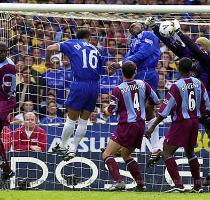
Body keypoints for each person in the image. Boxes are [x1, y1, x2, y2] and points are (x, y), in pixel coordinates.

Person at [145, 57, 210, 193]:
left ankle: (178, 185)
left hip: (181, 122)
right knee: (190, 152)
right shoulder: (199, 83)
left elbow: (165, 110)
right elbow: (206, 103)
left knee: (167, 151)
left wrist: (152, 127)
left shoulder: (177, 86)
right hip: (194, 122)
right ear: (192, 69)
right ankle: (198, 186)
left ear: (179, 69)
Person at [46, 29, 106, 161]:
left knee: (71, 119)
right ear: (89, 38)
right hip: (95, 86)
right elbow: (103, 70)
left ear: (77, 36)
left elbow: (50, 48)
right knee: (84, 120)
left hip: (80, 84)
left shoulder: (72, 43)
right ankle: (73, 149)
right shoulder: (96, 50)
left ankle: (62, 146)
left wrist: (48, 62)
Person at [110, 22, 162, 167]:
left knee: (140, 109)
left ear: (143, 26)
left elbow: (143, 54)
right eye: (131, 26)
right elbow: (130, 56)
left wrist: (121, 64)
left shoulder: (148, 35)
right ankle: (155, 148)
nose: (134, 26)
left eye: (136, 24)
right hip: (139, 73)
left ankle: (126, 144)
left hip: (146, 72)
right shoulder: (134, 41)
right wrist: (120, 63)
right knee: (145, 110)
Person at [102, 61, 159, 191]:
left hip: (127, 125)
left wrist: (104, 111)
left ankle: (119, 182)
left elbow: (110, 110)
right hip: (140, 125)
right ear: (135, 72)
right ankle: (140, 184)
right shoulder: (143, 84)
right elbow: (155, 100)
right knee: (125, 154)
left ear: (122, 72)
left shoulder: (118, 89)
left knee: (106, 154)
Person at [0, 42, 16, 181]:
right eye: (0, 52)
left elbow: (6, 89)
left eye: (4, 52)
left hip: (6, 99)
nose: (2, 54)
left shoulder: (8, 65)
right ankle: (6, 168)